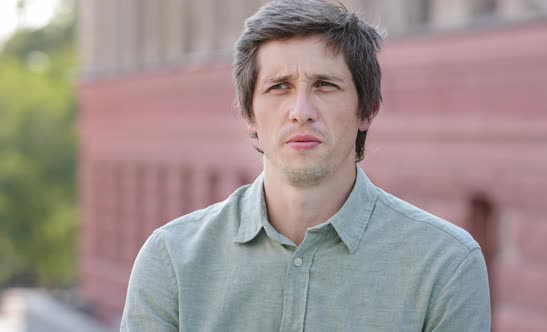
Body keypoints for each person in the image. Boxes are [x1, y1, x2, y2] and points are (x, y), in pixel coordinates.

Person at [120, 0, 491, 331]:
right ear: (249, 114)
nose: (301, 112)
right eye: (279, 86)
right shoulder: (172, 260)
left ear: (367, 110)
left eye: (325, 85)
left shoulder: (445, 265)